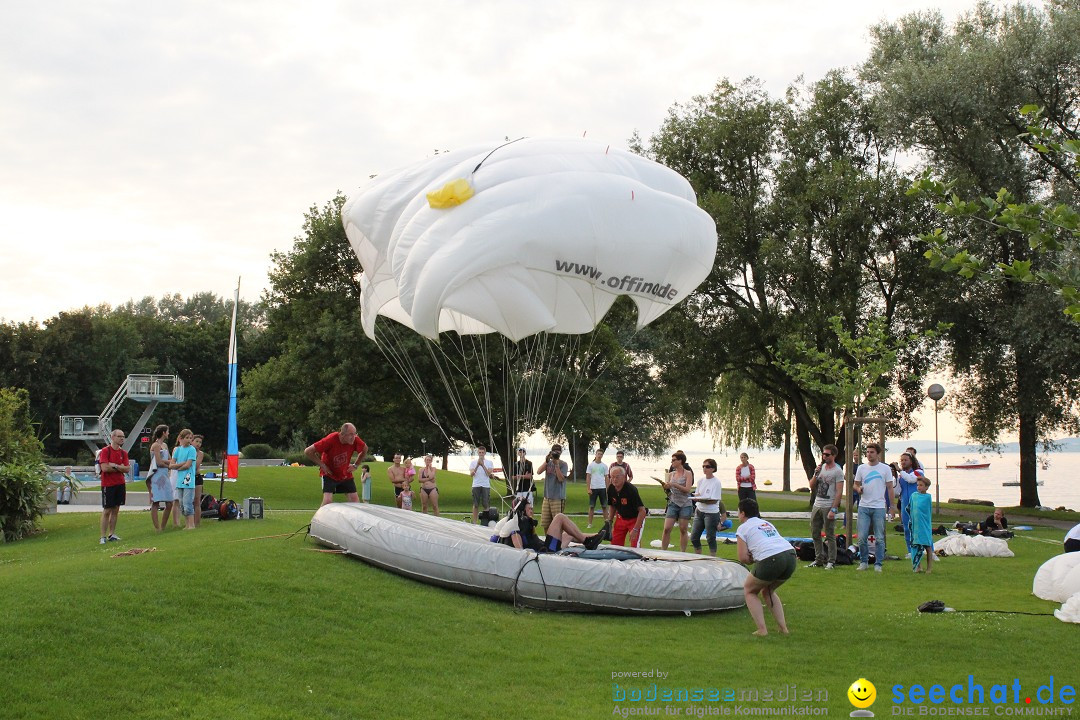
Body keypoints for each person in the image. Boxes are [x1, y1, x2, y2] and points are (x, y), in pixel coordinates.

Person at [736, 498, 795, 637]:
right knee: (768, 590)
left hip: (771, 558)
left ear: (743, 513)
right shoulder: (766, 523)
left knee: (749, 590)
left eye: (739, 512)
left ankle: (762, 630)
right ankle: (783, 628)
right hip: (790, 556)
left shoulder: (742, 528)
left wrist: (752, 558)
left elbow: (743, 558)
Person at [493, 497, 606, 552]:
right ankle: (588, 542)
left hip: (547, 547)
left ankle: (599, 535)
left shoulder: (524, 522)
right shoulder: (517, 525)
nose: (532, 511)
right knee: (559, 517)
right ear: (522, 511)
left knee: (568, 535)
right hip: (547, 551)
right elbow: (519, 547)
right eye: (529, 509)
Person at [853, 443, 895, 572]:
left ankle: (878, 563)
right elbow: (855, 484)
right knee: (862, 537)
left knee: (880, 538)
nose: (869, 454)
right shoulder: (861, 468)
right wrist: (858, 489)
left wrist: (891, 506)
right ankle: (864, 561)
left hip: (879, 507)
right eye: (867, 452)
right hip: (864, 506)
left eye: (872, 452)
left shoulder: (885, 469)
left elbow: (889, 488)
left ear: (878, 454)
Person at [305, 423, 368, 507]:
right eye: (350, 434)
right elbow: (308, 451)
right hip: (329, 474)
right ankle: (319, 519)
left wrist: (356, 465)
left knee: (355, 501)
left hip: (345, 473)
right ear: (342, 434)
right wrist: (322, 465)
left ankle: (352, 519)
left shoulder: (355, 440)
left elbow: (365, 449)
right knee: (327, 501)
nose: (354, 437)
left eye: (355, 434)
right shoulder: (331, 439)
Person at [807, 444, 844, 569]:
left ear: (833, 455)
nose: (824, 456)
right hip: (817, 504)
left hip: (829, 505)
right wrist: (815, 474)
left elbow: (839, 492)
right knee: (815, 532)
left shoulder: (838, 471)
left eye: (827, 454)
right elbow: (811, 486)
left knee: (830, 533)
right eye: (823, 454)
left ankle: (831, 561)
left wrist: (834, 509)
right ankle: (819, 559)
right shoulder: (821, 468)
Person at [98, 428, 129, 544]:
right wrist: (119, 467)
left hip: (120, 484)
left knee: (116, 509)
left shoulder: (123, 453)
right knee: (107, 510)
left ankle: (112, 534)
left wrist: (115, 466)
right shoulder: (106, 451)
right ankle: (102, 536)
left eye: (123, 436)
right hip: (108, 484)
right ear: (113, 437)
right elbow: (105, 468)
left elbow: (127, 468)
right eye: (119, 436)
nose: (122, 438)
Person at [690, 458, 726, 556]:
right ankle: (698, 556)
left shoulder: (716, 482)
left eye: (707, 466)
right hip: (699, 511)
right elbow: (698, 494)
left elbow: (714, 500)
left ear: (713, 469)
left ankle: (712, 558)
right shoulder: (701, 481)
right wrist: (694, 496)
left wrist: (701, 499)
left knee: (710, 537)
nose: (705, 468)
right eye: (703, 466)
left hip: (711, 513)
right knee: (694, 537)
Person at [660, 451, 694, 552]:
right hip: (673, 503)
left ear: (680, 461)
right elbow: (668, 490)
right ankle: (663, 552)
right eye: (672, 460)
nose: (672, 462)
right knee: (667, 529)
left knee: (683, 529)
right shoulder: (671, 474)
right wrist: (665, 487)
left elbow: (687, 490)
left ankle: (682, 552)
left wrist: (674, 485)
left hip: (685, 504)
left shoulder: (688, 473)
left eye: (674, 460)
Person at [607, 465, 646, 547]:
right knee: (615, 545)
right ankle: (616, 559)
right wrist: (609, 522)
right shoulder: (611, 488)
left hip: (634, 519)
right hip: (620, 518)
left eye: (617, 477)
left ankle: (638, 558)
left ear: (624, 477)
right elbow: (612, 505)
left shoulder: (631, 490)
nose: (614, 479)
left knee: (635, 544)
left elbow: (642, 510)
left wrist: (635, 529)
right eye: (612, 477)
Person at [894, 453, 924, 556]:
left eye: (905, 460)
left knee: (919, 527)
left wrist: (899, 470)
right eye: (901, 460)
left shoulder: (918, 472)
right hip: (905, 504)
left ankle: (929, 550)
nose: (903, 462)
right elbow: (896, 491)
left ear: (911, 461)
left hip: (916, 503)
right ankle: (910, 551)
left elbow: (910, 479)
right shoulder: (901, 476)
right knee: (907, 528)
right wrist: (895, 477)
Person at [148, 424, 174, 532]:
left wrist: (168, 463)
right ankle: (157, 527)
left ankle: (163, 526)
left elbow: (170, 459)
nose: (168, 434)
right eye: (167, 431)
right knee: (156, 501)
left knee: (169, 502)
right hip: (157, 476)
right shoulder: (156, 445)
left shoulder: (165, 445)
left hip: (165, 475)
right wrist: (169, 465)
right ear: (163, 432)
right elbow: (158, 462)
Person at [171, 429, 198, 530]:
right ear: (181, 439)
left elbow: (188, 465)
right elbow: (171, 464)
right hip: (179, 480)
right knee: (181, 503)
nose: (189, 440)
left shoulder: (192, 450)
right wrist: (180, 465)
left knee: (187, 503)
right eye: (186, 438)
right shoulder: (178, 450)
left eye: (190, 438)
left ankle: (191, 525)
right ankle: (187, 525)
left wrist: (177, 467)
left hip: (188, 479)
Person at [907, 476, 934, 573]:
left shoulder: (927, 497)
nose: (919, 487)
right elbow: (910, 507)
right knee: (915, 545)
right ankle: (918, 566)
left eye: (921, 485)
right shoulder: (914, 496)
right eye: (918, 485)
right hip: (915, 525)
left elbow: (926, 511)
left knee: (927, 546)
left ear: (926, 487)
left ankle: (929, 568)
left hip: (924, 525)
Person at [540, 444, 568, 532]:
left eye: (558, 451)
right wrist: (547, 460)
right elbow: (538, 471)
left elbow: (560, 479)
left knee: (557, 523)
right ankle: (548, 541)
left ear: (560, 453)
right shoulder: (548, 463)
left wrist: (556, 465)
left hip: (558, 497)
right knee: (545, 523)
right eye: (554, 451)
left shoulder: (563, 464)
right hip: (547, 497)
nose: (556, 453)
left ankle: (558, 542)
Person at [470, 445, 495, 524]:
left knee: (485, 504)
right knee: (476, 504)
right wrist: (478, 465)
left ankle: (485, 521)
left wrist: (482, 465)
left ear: (485, 453)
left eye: (482, 452)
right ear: (478, 453)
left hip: (485, 485)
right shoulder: (473, 462)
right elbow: (471, 474)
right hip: (476, 485)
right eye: (479, 452)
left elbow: (488, 474)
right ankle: (474, 522)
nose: (481, 454)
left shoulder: (489, 462)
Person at [585, 449, 609, 528]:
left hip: (602, 488)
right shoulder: (591, 465)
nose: (599, 455)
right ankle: (590, 523)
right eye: (598, 454)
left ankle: (606, 523)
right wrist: (588, 488)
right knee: (591, 506)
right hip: (593, 488)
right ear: (595, 454)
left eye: (601, 454)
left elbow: (606, 478)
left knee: (604, 506)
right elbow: (588, 477)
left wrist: (607, 489)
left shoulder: (604, 466)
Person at [508, 447, 535, 516]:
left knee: (529, 506)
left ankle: (530, 520)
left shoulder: (529, 463)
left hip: (527, 489)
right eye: (520, 452)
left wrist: (520, 476)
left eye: (522, 452)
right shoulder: (516, 464)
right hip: (519, 489)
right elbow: (513, 477)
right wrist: (523, 476)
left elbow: (530, 476)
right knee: (518, 506)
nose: (521, 453)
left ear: (525, 453)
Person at [192, 434, 205, 527]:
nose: (198, 444)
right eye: (196, 441)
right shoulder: (187, 451)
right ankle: (190, 522)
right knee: (189, 501)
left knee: (197, 501)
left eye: (200, 442)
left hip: (197, 478)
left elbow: (195, 466)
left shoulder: (200, 454)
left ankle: (197, 523)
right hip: (188, 478)